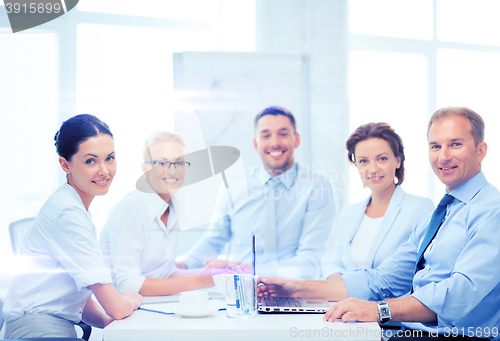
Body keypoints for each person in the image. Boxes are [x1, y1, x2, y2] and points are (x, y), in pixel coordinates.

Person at [258, 107, 500, 340]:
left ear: (480, 151)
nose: (443, 156)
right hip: (410, 331)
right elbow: (384, 279)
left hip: (459, 336)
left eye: (456, 144)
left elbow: (461, 293)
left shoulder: (491, 210)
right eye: (435, 146)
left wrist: (380, 310)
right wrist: (298, 289)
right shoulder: (440, 214)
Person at [2, 114, 142, 338]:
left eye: (110, 158)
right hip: (37, 332)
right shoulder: (68, 213)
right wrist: (130, 300)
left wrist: (111, 321)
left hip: (48, 328)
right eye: (90, 161)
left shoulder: (72, 206)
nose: (104, 170)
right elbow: (116, 306)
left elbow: (74, 297)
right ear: (65, 164)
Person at [177, 106, 336, 279]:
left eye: (283, 134)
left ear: (296, 140)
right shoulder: (233, 184)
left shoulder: (317, 187)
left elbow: (309, 261)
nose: (275, 142)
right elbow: (214, 239)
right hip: (239, 290)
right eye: (266, 135)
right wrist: (183, 264)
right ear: (256, 143)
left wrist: (244, 270)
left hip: (294, 292)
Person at [99, 131, 232, 296]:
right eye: (161, 163)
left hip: (151, 307)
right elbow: (128, 284)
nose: (172, 171)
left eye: (179, 162)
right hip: (119, 315)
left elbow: (164, 273)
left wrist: (212, 272)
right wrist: (201, 279)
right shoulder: (131, 208)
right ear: (145, 169)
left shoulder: (173, 207)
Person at [324, 123, 434, 279]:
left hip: (390, 302)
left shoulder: (419, 208)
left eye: (382, 159)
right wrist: (340, 289)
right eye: (363, 161)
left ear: (397, 160)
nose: (373, 169)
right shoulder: (348, 213)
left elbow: (425, 270)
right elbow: (334, 265)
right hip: (345, 301)